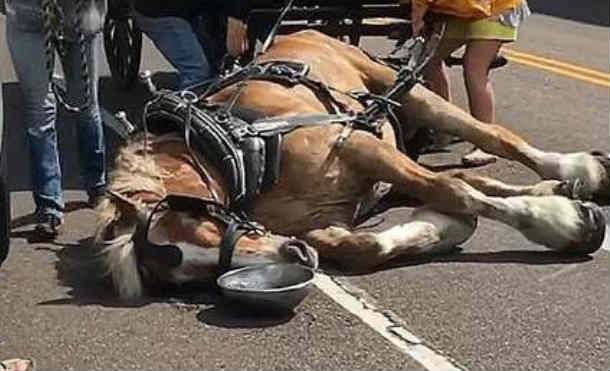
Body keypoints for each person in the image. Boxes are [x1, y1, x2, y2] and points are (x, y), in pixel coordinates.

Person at [5, 0, 108, 237]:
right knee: (39, 111)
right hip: (28, 17)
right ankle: (49, 204)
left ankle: (97, 183)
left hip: (81, 17)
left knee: (87, 106)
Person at [410, 0, 531, 166]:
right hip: (462, 10)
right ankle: (443, 125)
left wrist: (418, 15)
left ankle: (486, 144)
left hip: (495, 9)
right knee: (428, 61)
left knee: (474, 68)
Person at [131, 0, 250, 90]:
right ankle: (185, 117)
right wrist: (236, 20)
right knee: (198, 74)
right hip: (162, 11)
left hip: (201, 9)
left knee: (223, 68)